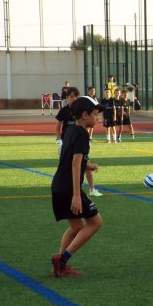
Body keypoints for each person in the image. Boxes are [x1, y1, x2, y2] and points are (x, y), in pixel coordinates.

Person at [51, 96, 105, 277]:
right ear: (84, 115)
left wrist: (88, 166)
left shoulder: (71, 130)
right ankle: (63, 259)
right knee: (95, 222)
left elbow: (72, 157)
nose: (97, 119)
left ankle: (59, 264)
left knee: (76, 227)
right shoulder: (82, 134)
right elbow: (75, 162)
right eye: (95, 115)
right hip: (68, 188)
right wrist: (76, 194)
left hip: (58, 185)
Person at [54, 86, 102, 197]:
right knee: (68, 165)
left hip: (77, 142)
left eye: (76, 96)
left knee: (84, 162)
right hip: (67, 143)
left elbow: (87, 125)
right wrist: (59, 142)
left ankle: (91, 188)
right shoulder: (64, 111)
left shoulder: (81, 112)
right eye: (71, 96)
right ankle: (70, 190)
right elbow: (57, 128)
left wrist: (86, 138)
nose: (74, 98)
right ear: (67, 98)